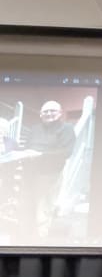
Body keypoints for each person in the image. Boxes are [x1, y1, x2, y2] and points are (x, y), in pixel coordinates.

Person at [19, 100, 75, 236]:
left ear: (60, 113)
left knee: (43, 211)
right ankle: (22, 241)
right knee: (26, 207)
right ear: (40, 114)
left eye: (52, 111)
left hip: (50, 176)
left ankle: (40, 243)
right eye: (45, 111)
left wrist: (40, 155)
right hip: (30, 174)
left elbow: (66, 152)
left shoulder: (66, 129)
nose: (48, 113)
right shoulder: (35, 128)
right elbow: (27, 146)